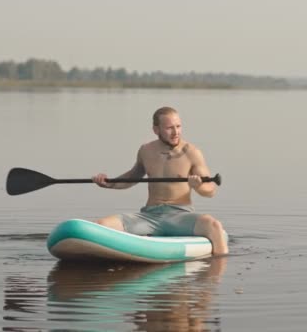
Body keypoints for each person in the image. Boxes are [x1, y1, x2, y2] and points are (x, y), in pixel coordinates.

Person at [92, 106, 228, 255]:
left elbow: (211, 191)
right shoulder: (146, 150)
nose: (176, 132)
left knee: (214, 225)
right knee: (101, 225)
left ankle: (217, 273)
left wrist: (199, 186)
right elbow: (133, 177)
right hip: (149, 216)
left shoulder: (192, 152)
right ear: (156, 130)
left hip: (180, 216)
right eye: (170, 128)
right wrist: (108, 183)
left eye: (178, 126)